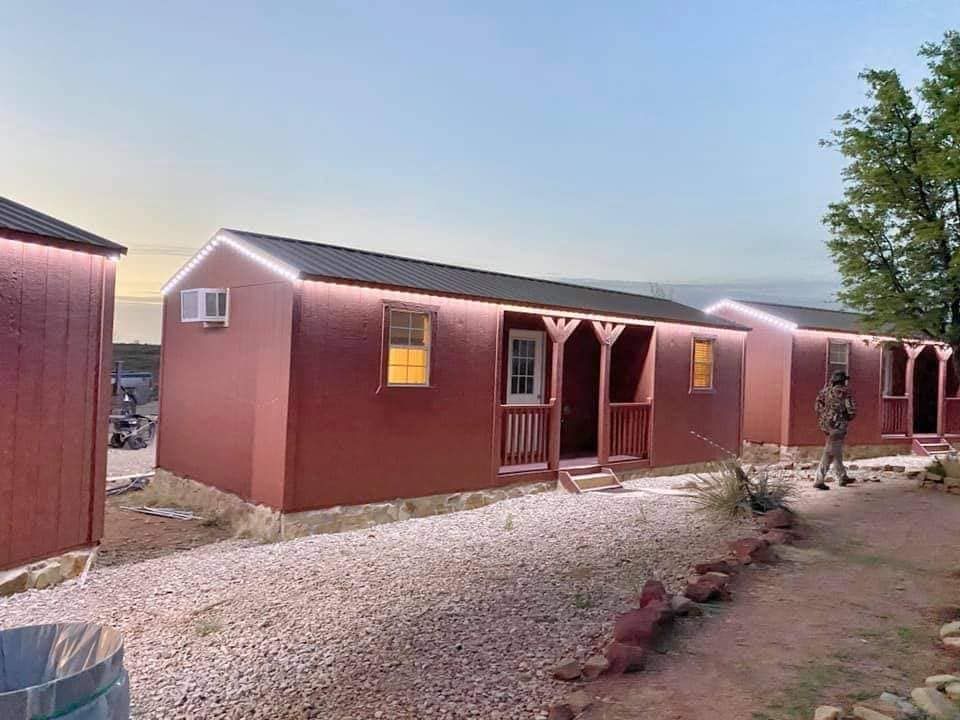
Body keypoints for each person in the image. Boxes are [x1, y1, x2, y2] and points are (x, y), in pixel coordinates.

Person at [813, 370, 857, 490]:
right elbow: (851, 410)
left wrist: (825, 415)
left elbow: (817, 407)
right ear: (843, 381)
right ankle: (819, 479)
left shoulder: (824, 391)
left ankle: (842, 476)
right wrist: (847, 417)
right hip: (838, 425)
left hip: (825, 425)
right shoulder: (845, 392)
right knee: (829, 451)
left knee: (835, 449)